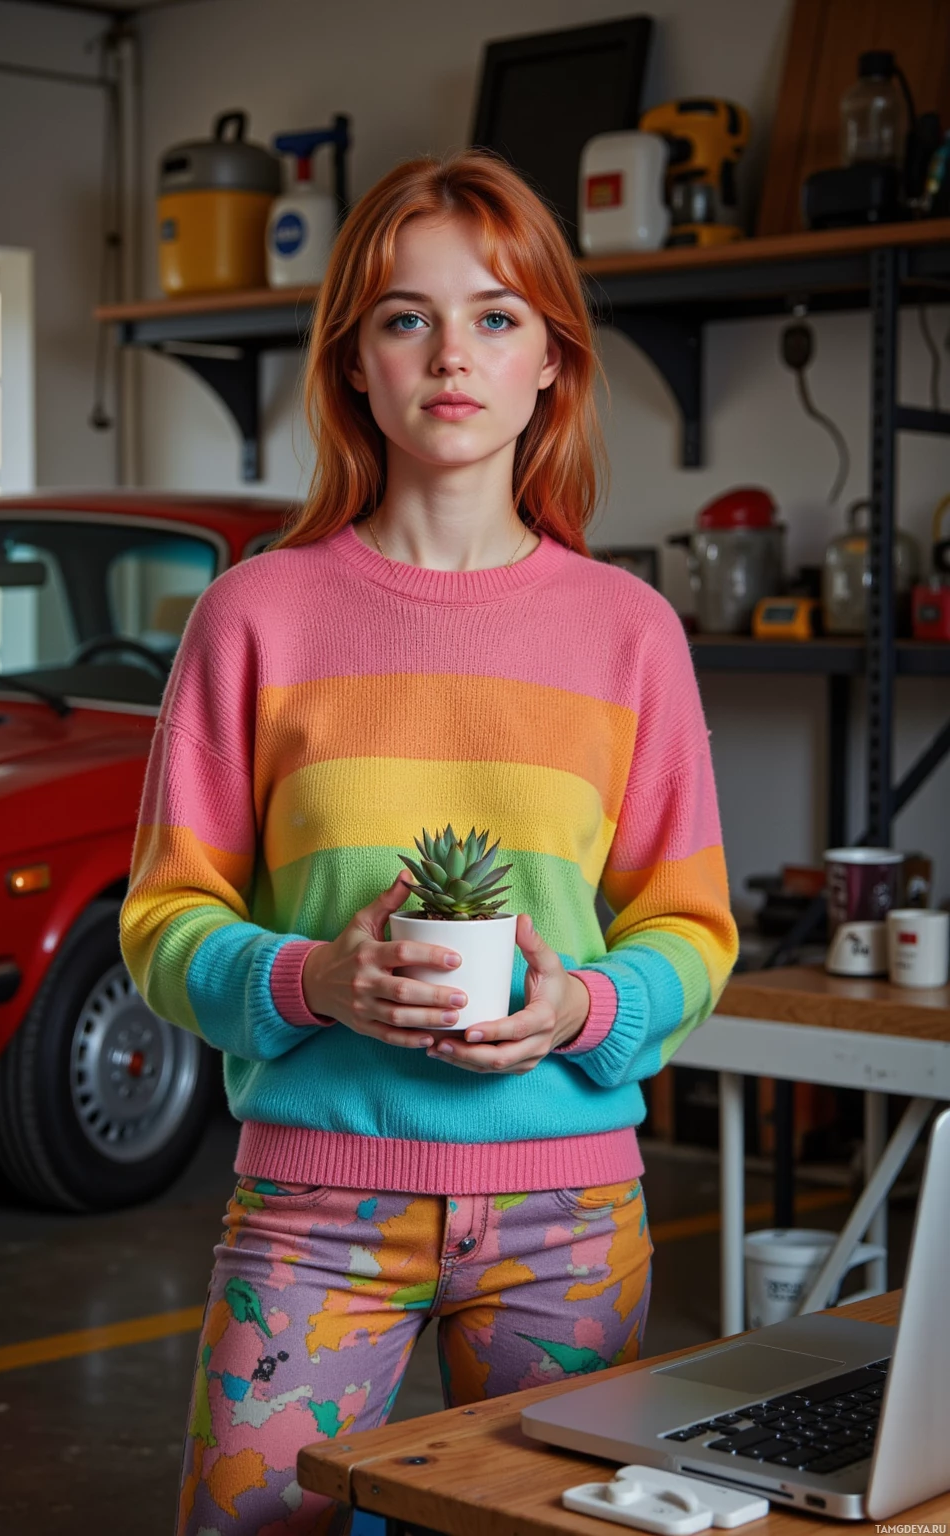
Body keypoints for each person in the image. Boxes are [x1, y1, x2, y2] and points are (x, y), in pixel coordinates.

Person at [120, 148, 739, 1536]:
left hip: (573, 1220)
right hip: (313, 1209)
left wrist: (583, 1004)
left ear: (551, 366)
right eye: (406, 317)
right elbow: (161, 926)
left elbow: (693, 930)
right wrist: (308, 984)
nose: (450, 354)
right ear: (353, 365)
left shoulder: (628, 632)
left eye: (495, 316)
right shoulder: (254, 617)